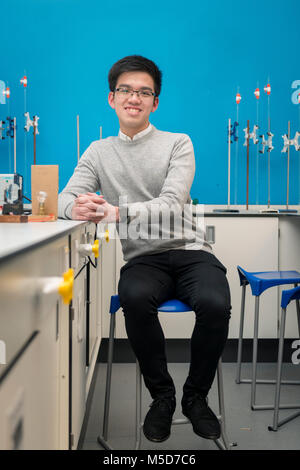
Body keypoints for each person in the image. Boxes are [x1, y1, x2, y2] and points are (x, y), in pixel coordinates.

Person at [58, 55, 231, 443]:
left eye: (144, 92)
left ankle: (195, 397)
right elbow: (64, 197)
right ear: (111, 98)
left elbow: (171, 204)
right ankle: (163, 397)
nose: (134, 97)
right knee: (134, 298)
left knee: (215, 302)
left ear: (155, 102)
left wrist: (116, 211)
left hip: (190, 250)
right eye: (125, 90)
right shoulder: (98, 151)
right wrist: (76, 207)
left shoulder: (178, 143)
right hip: (143, 258)